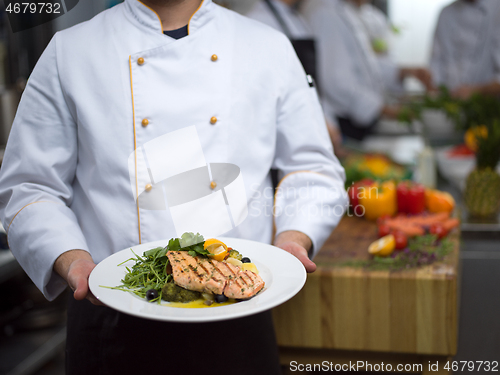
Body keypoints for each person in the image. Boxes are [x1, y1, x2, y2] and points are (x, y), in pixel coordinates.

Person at [0, 0, 347, 374]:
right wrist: (73, 261)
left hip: (240, 309)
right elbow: (30, 186)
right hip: (111, 314)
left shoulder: (268, 46)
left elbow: (312, 168)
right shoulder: (71, 51)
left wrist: (293, 240)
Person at [300, 0, 433, 140]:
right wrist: (382, 109)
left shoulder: (347, 11)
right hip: (345, 123)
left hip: (361, 119)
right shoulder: (324, 12)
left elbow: (365, 66)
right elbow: (336, 82)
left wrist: (403, 72)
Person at [246, 0, 345, 155]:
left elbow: (312, 80)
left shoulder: (297, 19)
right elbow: (269, 97)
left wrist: (328, 121)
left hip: (313, 130)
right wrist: (318, 123)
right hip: (286, 142)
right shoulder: (258, 21)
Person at [430, 0, 500, 99]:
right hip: (449, 101)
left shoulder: (497, 10)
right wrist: (434, 88)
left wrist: (478, 90)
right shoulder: (446, 13)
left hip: (490, 103)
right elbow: (436, 61)